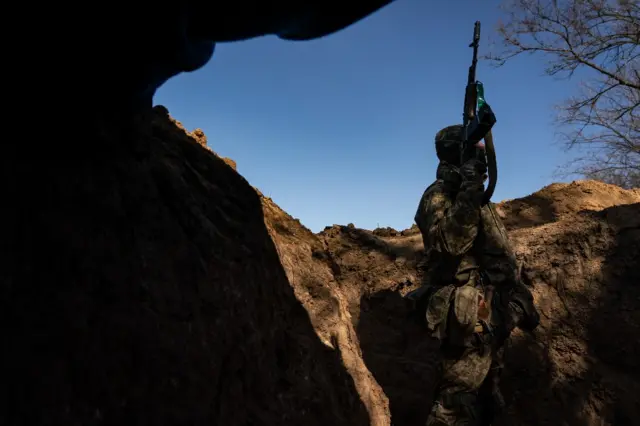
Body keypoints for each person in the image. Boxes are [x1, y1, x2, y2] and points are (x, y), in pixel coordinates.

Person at [413, 124, 540, 426]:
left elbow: (495, 252)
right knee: (455, 404)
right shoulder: (440, 195)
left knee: (485, 398)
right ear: (460, 153)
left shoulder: (470, 195)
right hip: (469, 314)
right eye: (476, 152)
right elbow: (451, 244)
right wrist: (470, 187)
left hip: (492, 311)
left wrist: (516, 300)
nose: (483, 159)